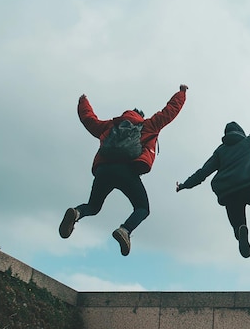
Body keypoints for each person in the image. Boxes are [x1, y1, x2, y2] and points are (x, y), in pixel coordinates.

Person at [59, 84, 189, 256]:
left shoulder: (110, 126)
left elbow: (89, 120)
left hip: (104, 170)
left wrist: (83, 101)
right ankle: (125, 230)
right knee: (142, 208)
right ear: (140, 117)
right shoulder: (148, 125)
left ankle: (76, 213)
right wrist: (182, 93)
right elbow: (169, 111)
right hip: (127, 171)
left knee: (93, 206)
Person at [176, 95, 250, 258]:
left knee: (238, 226)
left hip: (229, 194)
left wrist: (184, 185)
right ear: (241, 132)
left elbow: (203, 172)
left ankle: (241, 231)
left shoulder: (220, 151)